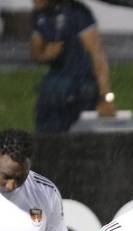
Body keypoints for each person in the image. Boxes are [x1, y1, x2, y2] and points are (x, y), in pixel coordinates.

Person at [29, 0, 116, 134]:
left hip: (81, 85)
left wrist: (105, 98)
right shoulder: (38, 16)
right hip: (53, 88)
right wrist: (45, 55)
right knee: (47, 135)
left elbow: (97, 56)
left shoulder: (77, 13)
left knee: (79, 138)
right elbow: (35, 52)